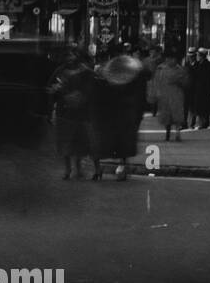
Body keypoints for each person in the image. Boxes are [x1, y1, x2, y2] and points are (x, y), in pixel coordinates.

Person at [92, 46, 146, 180]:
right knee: (111, 142)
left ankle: (115, 168)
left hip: (120, 112)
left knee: (117, 142)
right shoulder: (105, 73)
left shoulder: (130, 73)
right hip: (113, 112)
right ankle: (113, 168)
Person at [47, 47, 96, 182]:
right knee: (65, 141)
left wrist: (82, 97)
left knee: (80, 141)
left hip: (81, 112)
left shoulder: (86, 72)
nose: (70, 58)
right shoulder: (60, 71)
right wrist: (56, 95)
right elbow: (51, 88)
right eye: (68, 55)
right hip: (65, 111)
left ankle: (78, 166)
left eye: (73, 55)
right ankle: (68, 169)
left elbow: (93, 89)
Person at [153, 50, 189, 142]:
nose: (171, 61)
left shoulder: (180, 70)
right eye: (169, 59)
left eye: (173, 59)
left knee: (177, 115)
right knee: (167, 116)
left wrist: (179, 82)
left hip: (176, 95)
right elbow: (157, 82)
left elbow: (186, 82)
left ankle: (177, 132)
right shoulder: (161, 69)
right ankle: (168, 133)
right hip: (165, 96)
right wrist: (157, 93)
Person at [192, 48, 210, 129]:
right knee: (199, 106)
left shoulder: (207, 65)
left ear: (202, 56)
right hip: (198, 88)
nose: (197, 56)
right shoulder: (197, 64)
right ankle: (202, 122)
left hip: (205, 88)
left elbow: (204, 76)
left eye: (198, 55)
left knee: (204, 106)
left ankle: (204, 123)